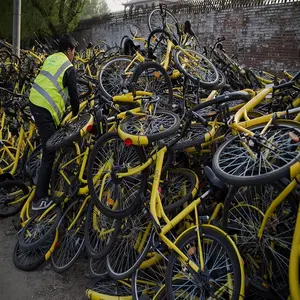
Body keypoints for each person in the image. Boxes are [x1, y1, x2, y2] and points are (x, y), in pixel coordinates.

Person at [29, 33, 79, 211]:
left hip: (35, 100)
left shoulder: (51, 58)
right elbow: (74, 97)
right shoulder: (69, 67)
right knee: (49, 153)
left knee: (50, 142)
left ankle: (46, 181)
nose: (75, 54)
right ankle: (39, 200)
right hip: (44, 108)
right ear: (68, 50)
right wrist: (76, 115)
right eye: (74, 50)